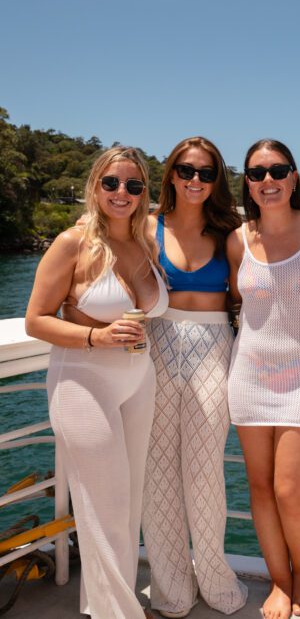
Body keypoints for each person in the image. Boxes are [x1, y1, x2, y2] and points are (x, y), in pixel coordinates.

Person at [25, 147, 168, 619]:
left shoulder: (145, 242)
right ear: (95, 187)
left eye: (133, 185)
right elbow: (36, 320)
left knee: (126, 506)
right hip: (83, 382)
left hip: (138, 380)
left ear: (145, 192)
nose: (121, 193)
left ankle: (106, 605)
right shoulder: (73, 242)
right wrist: (95, 335)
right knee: (105, 507)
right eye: (111, 183)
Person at [226, 139, 300, 619]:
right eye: (257, 173)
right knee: (259, 486)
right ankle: (278, 580)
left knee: (291, 488)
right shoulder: (238, 239)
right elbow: (239, 302)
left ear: (294, 177)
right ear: (248, 183)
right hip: (250, 374)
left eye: (278, 170)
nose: (268, 181)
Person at [141, 137, 248, 618]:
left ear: (217, 180)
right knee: (158, 471)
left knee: (205, 470)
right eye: (187, 171)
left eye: (206, 173)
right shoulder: (146, 227)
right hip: (155, 347)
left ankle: (213, 574)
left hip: (214, 349)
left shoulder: (230, 230)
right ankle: (171, 587)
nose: (196, 181)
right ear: (171, 174)